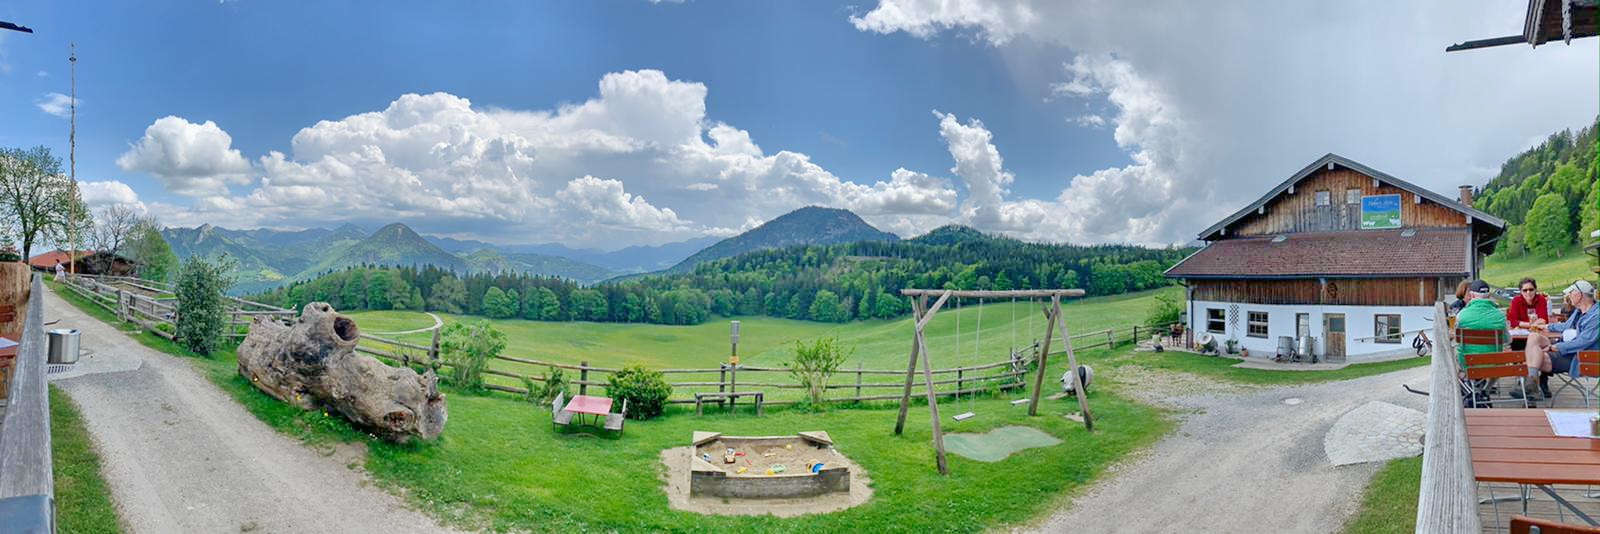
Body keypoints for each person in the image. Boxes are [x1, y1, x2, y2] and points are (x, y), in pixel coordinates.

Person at [1525, 280, 1599, 399]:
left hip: (1579, 357)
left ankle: (1529, 390)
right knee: (1534, 337)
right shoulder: (1579, 310)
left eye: (1570, 293)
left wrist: (1555, 347)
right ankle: (1531, 385)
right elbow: (1566, 326)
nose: (1568, 296)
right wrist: (1546, 326)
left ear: (1579, 295)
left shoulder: (1596, 316)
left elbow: (1583, 342)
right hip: (1567, 347)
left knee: (1535, 357)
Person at [1456, 280, 1516, 404]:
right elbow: (1508, 340)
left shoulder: (1462, 315)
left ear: (1471, 295)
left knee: (1455, 355)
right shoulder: (1500, 315)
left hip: (1468, 364)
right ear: (1488, 295)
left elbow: (1457, 339)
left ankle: (1470, 390)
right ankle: (1485, 391)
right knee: (1499, 360)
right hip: (1493, 365)